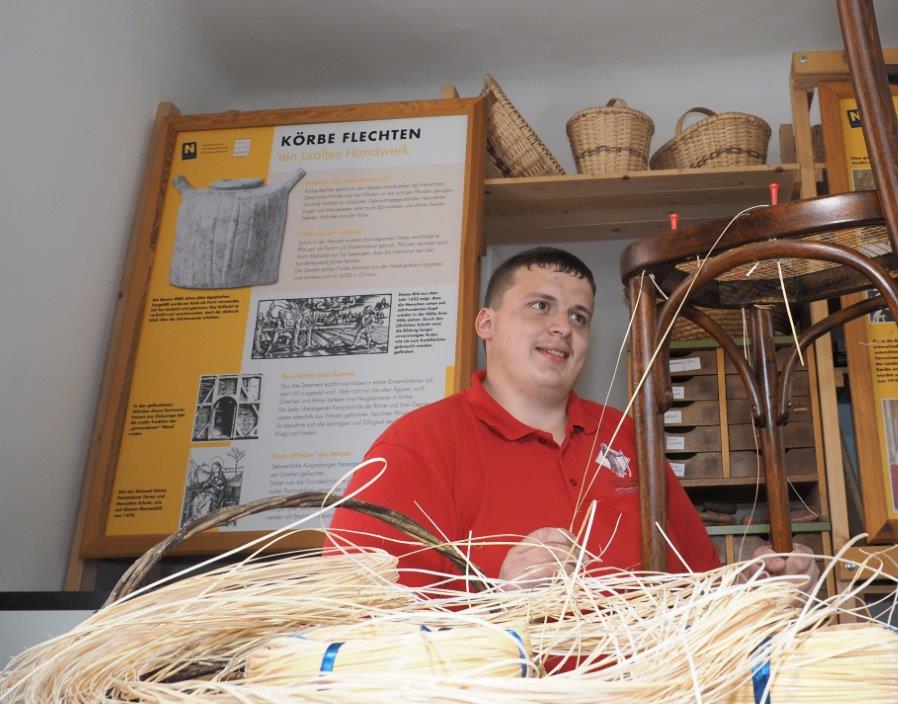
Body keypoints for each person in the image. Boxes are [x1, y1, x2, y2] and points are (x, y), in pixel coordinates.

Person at [327, 247, 818, 591]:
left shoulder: (627, 436)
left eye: (579, 316)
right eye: (540, 307)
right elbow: (363, 614)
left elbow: (694, 583)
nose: (562, 327)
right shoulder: (419, 444)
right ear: (487, 324)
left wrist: (750, 588)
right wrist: (497, 596)